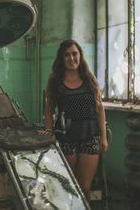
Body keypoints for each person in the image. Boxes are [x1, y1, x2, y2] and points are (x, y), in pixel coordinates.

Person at [43, 39, 108, 201]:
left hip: (90, 137)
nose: (72, 58)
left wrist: (103, 137)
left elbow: (100, 109)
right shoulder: (55, 82)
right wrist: (49, 133)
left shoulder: (90, 80)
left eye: (75, 54)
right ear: (61, 58)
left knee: (84, 187)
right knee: (68, 185)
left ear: (80, 55)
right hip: (66, 139)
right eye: (67, 55)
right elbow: (49, 111)